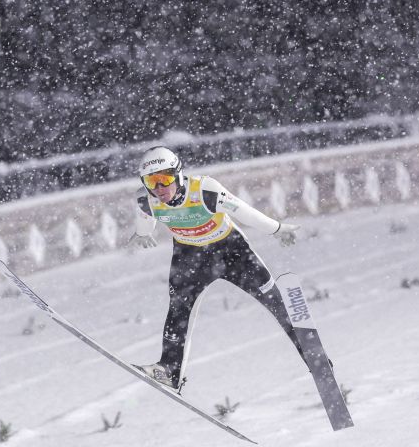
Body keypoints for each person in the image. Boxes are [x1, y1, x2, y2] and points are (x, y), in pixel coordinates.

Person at [129, 146, 304, 393]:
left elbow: (244, 212)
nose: (160, 189)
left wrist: (276, 229)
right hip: (190, 256)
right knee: (178, 309)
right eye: (152, 182)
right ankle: (170, 369)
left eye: (165, 178)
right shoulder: (145, 200)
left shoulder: (205, 190)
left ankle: (309, 351)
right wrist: (141, 234)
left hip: (231, 251)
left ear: (179, 174)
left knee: (273, 300)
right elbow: (144, 222)